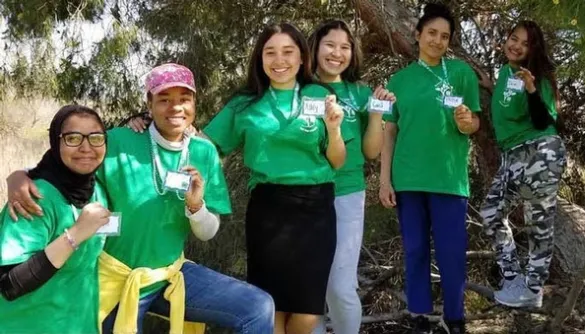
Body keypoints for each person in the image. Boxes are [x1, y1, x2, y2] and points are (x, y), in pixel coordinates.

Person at [5, 63, 275, 334]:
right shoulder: (120, 141)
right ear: (149, 103)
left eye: (184, 99)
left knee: (257, 307)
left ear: (194, 102)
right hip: (115, 278)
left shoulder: (203, 153)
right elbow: (73, 159)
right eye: (164, 99)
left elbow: (207, 233)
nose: (175, 107)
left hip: (170, 274)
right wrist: (20, 175)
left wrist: (196, 206)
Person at [202, 22, 347, 334]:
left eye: (287, 52)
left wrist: (334, 129)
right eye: (270, 52)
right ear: (260, 58)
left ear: (302, 58)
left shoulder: (320, 94)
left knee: (308, 312)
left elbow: (336, 160)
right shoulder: (244, 103)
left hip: (316, 208)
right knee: (271, 307)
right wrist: (150, 125)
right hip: (269, 209)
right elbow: (206, 145)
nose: (279, 60)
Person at [378, 3, 481, 333]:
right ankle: (419, 315)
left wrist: (467, 122)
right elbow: (389, 130)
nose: (438, 40)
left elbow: (473, 124)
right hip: (408, 179)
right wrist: (384, 180)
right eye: (432, 33)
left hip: (449, 180)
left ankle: (455, 318)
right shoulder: (400, 80)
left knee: (452, 254)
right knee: (416, 249)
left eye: (445, 36)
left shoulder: (461, 73)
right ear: (418, 34)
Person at [307, 20, 395, 334]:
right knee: (310, 286)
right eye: (330, 45)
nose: (337, 53)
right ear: (315, 48)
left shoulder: (359, 91)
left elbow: (372, 151)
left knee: (341, 287)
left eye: (345, 47)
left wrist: (375, 114)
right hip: (303, 196)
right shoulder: (300, 89)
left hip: (346, 193)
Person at [0, 105, 110, 334]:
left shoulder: (97, 188)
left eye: (96, 137)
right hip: (27, 325)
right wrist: (76, 233)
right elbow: (10, 284)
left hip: (78, 323)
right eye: (72, 138)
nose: (86, 147)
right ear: (55, 141)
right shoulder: (35, 197)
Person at [480, 20, 566, 309]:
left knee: (538, 224)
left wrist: (531, 88)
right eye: (513, 38)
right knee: (492, 212)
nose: (516, 46)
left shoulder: (537, 76)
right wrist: (490, 87)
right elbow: (507, 103)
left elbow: (544, 120)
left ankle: (531, 288)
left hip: (538, 151)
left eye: (525, 43)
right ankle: (515, 279)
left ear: (534, 49)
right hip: (513, 154)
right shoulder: (505, 71)